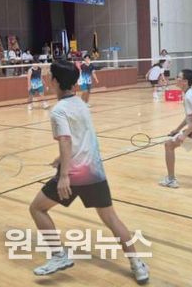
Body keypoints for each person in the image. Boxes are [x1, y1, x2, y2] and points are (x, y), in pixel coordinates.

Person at [28, 60, 150, 283]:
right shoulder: (81, 104)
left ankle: (59, 255)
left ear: (55, 81)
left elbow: (66, 140)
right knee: (111, 219)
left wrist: (64, 175)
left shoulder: (58, 111)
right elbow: (82, 137)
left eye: (50, 75)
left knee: (37, 208)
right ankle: (137, 265)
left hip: (73, 175)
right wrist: (60, 159)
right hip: (94, 171)